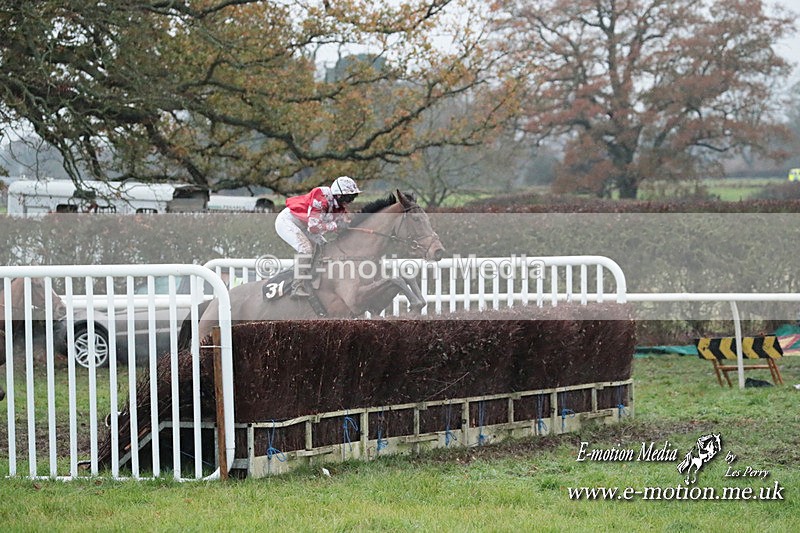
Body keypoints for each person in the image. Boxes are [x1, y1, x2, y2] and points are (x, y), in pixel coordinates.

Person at [274, 176, 361, 296]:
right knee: (306, 249)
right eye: (349, 197)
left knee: (324, 247)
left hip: (304, 224)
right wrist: (335, 225)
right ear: (339, 195)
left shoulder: (339, 207)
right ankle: (296, 286)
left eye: (353, 197)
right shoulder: (321, 195)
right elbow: (314, 227)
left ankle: (313, 277)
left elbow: (340, 226)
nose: (351, 200)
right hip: (288, 221)